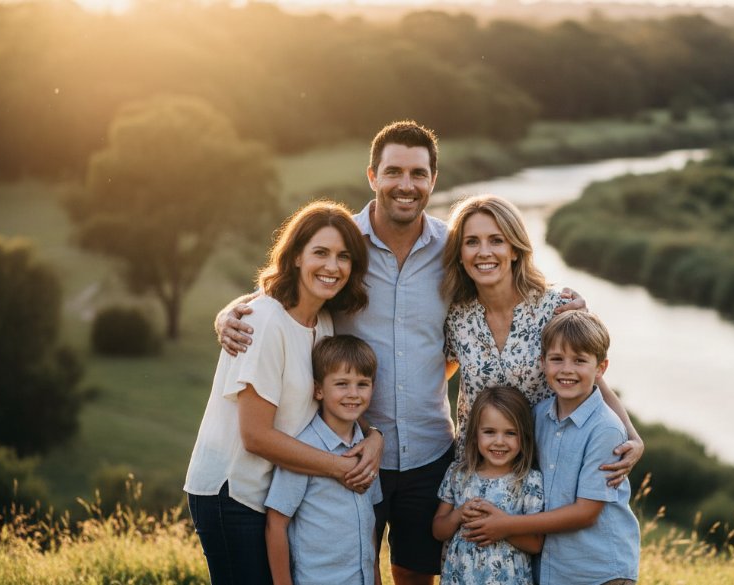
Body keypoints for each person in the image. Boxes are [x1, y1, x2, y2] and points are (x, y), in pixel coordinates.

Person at [214, 120, 588, 585]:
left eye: (417, 173)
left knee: (414, 573)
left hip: (429, 455)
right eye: (393, 172)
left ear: (433, 179)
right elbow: (288, 286)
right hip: (349, 452)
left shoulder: (452, 249)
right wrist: (230, 310)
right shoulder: (343, 244)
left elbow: (495, 296)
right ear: (372, 176)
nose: (405, 185)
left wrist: (561, 302)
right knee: (348, 569)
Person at [184, 200, 371, 585]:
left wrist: (376, 438)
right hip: (231, 492)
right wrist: (340, 468)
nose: (332, 267)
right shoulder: (265, 321)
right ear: (297, 256)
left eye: (343, 256)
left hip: (270, 491)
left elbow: (331, 404)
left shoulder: (322, 320)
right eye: (320, 252)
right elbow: (255, 436)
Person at [442, 194, 644, 484]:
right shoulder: (456, 315)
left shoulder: (554, 308)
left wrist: (633, 436)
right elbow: (441, 371)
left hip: (542, 468)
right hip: (475, 471)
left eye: (496, 240)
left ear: (515, 249)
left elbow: (590, 378)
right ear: (460, 254)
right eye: (472, 241)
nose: (484, 251)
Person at [461, 311, 640, 585]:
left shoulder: (605, 429)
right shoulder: (538, 415)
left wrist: (505, 525)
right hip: (552, 570)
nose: (566, 369)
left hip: (599, 571)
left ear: (600, 369)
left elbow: (586, 513)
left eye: (579, 361)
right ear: (542, 362)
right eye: (557, 359)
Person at [265, 335, 382, 585]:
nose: (353, 394)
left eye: (363, 384)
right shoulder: (304, 451)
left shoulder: (369, 450)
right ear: (319, 389)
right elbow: (275, 525)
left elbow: (369, 522)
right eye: (342, 384)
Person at [432, 386, 544, 585]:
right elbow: (438, 530)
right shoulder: (458, 474)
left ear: (524, 436)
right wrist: (459, 515)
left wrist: (503, 528)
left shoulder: (529, 480)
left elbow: (536, 544)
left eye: (510, 433)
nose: (499, 441)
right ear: (475, 436)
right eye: (490, 432)